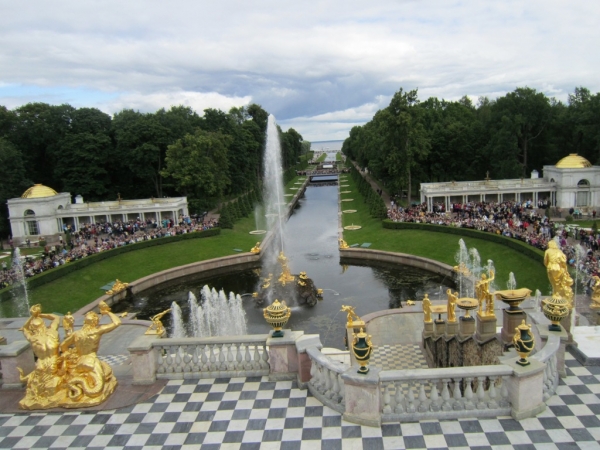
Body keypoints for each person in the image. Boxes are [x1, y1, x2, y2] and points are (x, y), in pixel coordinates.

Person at [18, 305, 64, 409]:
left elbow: (24, 328)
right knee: (51, 384)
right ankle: (50, 395)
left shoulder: (32, 338)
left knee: (40, 385)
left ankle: (40, 396)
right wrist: (40, 314)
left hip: (41, 364)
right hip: (54, 362)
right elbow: (56, 317)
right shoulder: (52, 331)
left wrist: (32, 316)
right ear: (43, 324)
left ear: (32, 328)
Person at [544, 240, 574, 304]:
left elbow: (545, 261)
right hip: (558, 267)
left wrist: (548, 265)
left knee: (553, 282)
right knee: (558, 281)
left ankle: (556, 295)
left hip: (551, 267)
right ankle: (557, 294)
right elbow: (563, 261)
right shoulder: (559, 251)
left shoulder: (548, 251)